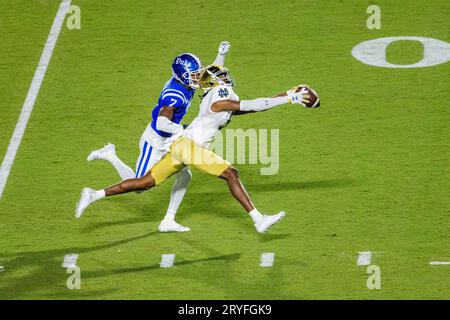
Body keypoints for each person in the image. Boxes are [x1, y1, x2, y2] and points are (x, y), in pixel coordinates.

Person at [75, 64, 312, 233]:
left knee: (144, 183)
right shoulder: (219, 98)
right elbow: (251, 104)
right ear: (215, 84)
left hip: (183, 147)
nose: (227, 78)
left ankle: (93, 194)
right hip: (187, 146)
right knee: (231, 173)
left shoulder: (218, 98)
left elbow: (257, 106)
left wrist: (290, 94)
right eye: (222, 77)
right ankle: (258, 219)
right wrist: (288, 99)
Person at [84, 42, 231, 233]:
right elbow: (162, 123)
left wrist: (220, 55)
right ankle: (110, 155)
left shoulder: (185, 82)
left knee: (185, 176)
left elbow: (209, 76)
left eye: (196, 74)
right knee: (139, 186)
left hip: (169, 138)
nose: (197, 78)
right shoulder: (174, 94)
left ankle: (168, 220)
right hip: (155, 141)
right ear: (182, 76)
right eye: (193, 75)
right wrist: (182, 130)